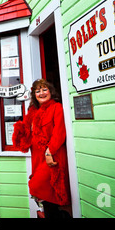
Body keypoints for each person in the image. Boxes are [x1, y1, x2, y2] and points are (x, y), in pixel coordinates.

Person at [13, 79, 71, 218]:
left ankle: (61, 215)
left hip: (51, 154)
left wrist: (50, 151)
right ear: (34, 95)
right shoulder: (33, 112)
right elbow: (28, 136)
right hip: (37, 156)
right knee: (46, 195)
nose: (41, 93)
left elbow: (59, 132)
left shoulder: (56, 107)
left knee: (39, 186)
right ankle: (55, 215)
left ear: (50, 91)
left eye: (44, 89)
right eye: (38, 91)